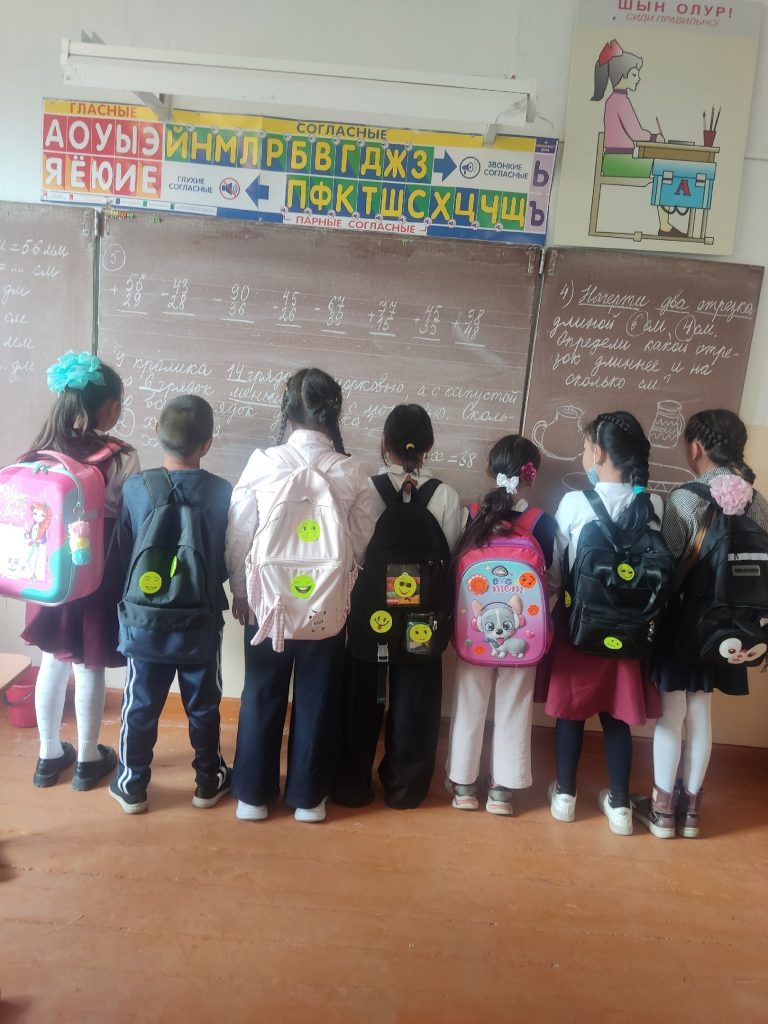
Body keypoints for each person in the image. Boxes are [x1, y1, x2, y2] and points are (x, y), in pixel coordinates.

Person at [225, 368, 375, 823]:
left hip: (267, 603)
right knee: (318, 697)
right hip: (326, 608)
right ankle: (309, 798)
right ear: (335, 413)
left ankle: (252, 796)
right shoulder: (351, 470)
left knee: (261, 692)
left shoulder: (264, 462)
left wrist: (240, 589)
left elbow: (239, 533)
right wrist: (341, 586)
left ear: (287, 411)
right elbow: (361, 539)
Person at [634, 410, 768, 839]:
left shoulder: (685, 499)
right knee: (702, 712)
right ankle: (691, 811)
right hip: (732, 628)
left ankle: (662, 811)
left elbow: (669, 561)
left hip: (683, 623)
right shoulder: (758, 502)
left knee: (672, 715)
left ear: (695, 448)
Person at [536, 411, 663, 836]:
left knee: (571, 712)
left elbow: (556, 572)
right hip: (630, 632)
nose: (583, 454)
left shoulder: (574, 503)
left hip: (579, 626)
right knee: (616, 717)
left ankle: (565, 797)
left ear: (600, 454)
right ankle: (621, 805)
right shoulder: (653, 504)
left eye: (586, 447)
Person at [332, 404, 461, 810]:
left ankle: (352, 784)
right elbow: (451, 554)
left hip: (371, 612)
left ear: (384, 442)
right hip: (423, 617)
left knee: (361, 696)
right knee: (416, 699)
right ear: (428, 447)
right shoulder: (446, 496)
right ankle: (406, 789)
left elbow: (353, 553)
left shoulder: (365, 489)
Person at [109, 395, 232, 815]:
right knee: (204, 705)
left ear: (157, 433)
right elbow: (224, 560)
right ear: (207, 443)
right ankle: (208, 781)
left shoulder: (135, 488)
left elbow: (124, 555)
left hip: (144, 621)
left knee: (140, 704)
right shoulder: (221, 492)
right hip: (200, 620)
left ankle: (131, 784)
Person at [22, 350, 140, 791]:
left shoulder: (38, 452)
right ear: (107, 408)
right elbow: (129, 516)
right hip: (95, 574)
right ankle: (89, 760)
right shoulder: (122, 456)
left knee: (51, 661)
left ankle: (48, 755)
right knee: (88, 665)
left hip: (47, 575)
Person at [446, 436, 556, 816]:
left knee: (469, 702)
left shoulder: (471, 515)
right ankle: (502, 792)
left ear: (488, 469)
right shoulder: (541, 523)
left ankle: (463, 785)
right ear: (531, 476)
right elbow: (553, 580)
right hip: (525, 636)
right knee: (514, 706)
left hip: (473, 633)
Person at [592, 39, 686, 238]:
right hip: (619, 162)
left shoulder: (616, 100)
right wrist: (654, 136)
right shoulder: (619, 101)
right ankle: (665, 226)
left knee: (663, 169)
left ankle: (665, 224)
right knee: (664, 170)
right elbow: (635, 133)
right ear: (622, 75)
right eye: (635, 74)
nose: (638, 78)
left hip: (618, 160)